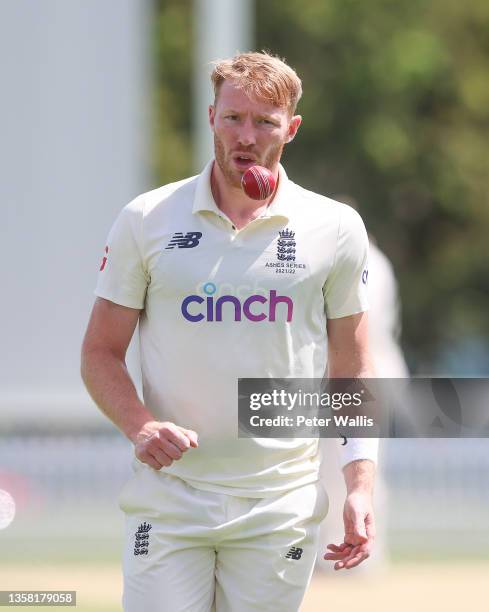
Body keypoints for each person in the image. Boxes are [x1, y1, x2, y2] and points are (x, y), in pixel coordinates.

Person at [81, 51, 378, 612]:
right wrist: (140, 427)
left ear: (290, 129)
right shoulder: (147, 219)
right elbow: (99, 352)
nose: (247, 136)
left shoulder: (335, 228)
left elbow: (353, 369)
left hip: (280, 503)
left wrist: (359, 484)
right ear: (212, 115)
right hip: (170, 499)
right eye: (233, 118)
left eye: (265, 122)